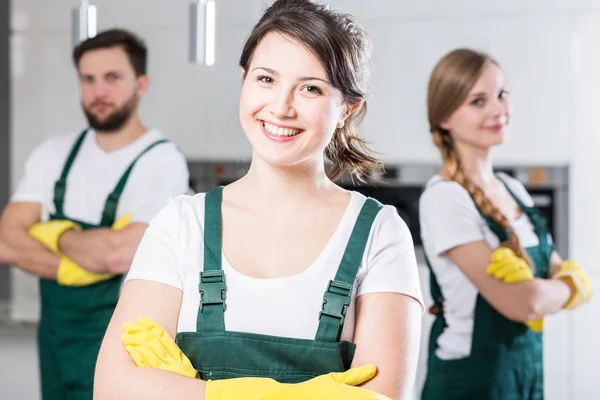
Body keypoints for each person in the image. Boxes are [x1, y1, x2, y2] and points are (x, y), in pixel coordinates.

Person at [94, 1, 424, 399]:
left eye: (310, 88)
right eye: (266, 79)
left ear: (346, 110)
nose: (281, 107)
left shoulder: (379, 234)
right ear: (244, 79)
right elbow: (114, 389)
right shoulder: (182, 224)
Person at [0, 28, 190, 400]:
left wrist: (52, 232)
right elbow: (6, 242)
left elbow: (117, 253)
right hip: (57, 340)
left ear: (141, 83)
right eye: (88, 79)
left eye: (112, 77)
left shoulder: (161, 161)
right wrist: (78, 263)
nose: (98, 91)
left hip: (122, 346)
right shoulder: (53, 153)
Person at [419, 48, 592, 400]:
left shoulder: (513, 189)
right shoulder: (446, 198)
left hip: (525, 373)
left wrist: (544, 290)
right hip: (471, 382)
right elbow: (522, 304)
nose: (499, 110)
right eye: (478, 101)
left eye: (502, 94)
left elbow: (547, 277)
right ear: (446, 117)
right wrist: (572, 288)